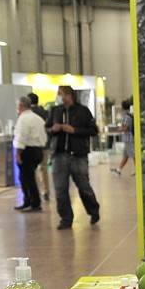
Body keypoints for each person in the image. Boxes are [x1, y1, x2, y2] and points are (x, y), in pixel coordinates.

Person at [45, 85, 101, 230]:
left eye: (60, 93)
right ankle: (66, 218)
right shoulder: (54, 111)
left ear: (68, 95)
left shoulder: (83, 111)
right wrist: (53, 129)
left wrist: (75, 130)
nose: (58, 96)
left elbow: (93, 130)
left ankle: (93, 210)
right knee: (60, 189)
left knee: (83, 186)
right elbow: (47, 128)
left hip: (78, 155)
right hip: (58, 155)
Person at [12, 96, 48, 212]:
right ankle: (28, 201)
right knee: (28, 176)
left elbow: (21, 137)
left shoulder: (23, 119)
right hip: (38, 150)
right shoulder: (37, 118)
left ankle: (34, 203)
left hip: (28, 151)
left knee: (27, 178)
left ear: (21, 106)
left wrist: (18, 153)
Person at [27, 93, 50, 201]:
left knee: (32, 169)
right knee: (43, 168)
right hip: (45, 144)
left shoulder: (27, 114)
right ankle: (45, 191)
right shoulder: (46, 113)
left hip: (32, 145)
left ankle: (34, 192)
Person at [112, 97, 133, 175]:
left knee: (134, 155)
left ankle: (138, 171)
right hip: (127, 139)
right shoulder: (130, 115)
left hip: (128, 139)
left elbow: (125, 127)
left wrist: (118, 129)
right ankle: (118, 170)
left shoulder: (126, 116)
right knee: (125, 156)